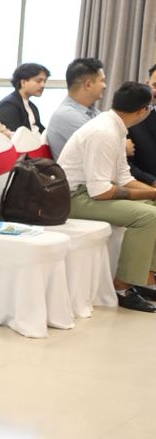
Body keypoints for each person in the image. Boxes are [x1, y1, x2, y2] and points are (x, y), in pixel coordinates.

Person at [57, 81, 156, 312]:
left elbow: (123, 176)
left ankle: (146, 276)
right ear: (142, 111)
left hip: (86, 193)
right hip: (71, 198)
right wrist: (151, 192)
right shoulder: (104, 132)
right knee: (149, 216)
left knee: (152, 204)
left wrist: (153, 193)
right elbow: (100, 191)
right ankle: (122, 287)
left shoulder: (115, 126)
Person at [47, 56, 105, 157]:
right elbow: (104, 147)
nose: (104, 86)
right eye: (102, 81)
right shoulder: (65, 115)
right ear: (88, 85)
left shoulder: (91, 110)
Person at [0, 63, 49, 133]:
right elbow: (14, 136)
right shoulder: (8, 105)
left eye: (44, 81)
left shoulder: (32, 107)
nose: (43, 85)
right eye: (38, 81)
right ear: (23, 82)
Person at [129, 64, 156, 186]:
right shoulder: (132, 118)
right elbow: (124, 164)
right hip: (146, 188)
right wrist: (152, 181)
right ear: (147, 85)